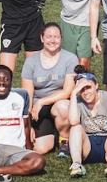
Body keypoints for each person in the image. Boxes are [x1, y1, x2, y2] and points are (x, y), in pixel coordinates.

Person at [20, 22, 78, 156]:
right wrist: (28, 126)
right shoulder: (31, 61)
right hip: (37, 110)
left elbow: (68, 91)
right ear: (42, 38)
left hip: (60, 103)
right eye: (49, 36)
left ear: (61, 38)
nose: (52, 40)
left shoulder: (70, 58)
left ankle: (65, 140)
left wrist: (41, 102)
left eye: (56, 37)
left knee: (64, 107)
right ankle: (49, 131)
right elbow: (27, 95)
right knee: (41, 149)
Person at [68, 68, 107, 178]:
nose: (85, 92)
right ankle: (77, 164)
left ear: (96, 86)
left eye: (88, 87)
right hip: (88, 144)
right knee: (75, 128)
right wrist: (73, 94)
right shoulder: (77, 100)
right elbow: (73, 121)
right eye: (82, 89)